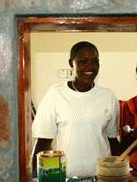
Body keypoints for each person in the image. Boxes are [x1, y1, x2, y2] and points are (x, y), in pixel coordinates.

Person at [31, 41, 120, 178]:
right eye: (83, 61)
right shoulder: (55, 95)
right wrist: (35, 176)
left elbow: (112, 141)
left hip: (101, 178)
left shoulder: (108, 96)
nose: (90, 66)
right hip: (64, 178)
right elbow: (43, 143)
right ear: (71, 63)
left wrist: (121, 172)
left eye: (95, 61)